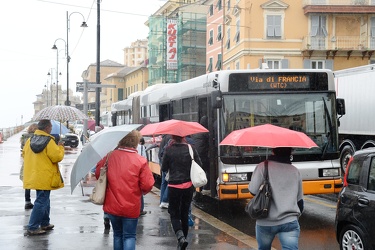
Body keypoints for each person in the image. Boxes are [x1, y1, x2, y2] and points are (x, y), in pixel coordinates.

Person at [95, 130, 154, 250]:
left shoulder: (109, 156)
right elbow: (147, 185)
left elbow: (98, 174)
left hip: (112, 205)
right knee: (129, 236)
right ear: (136, 142)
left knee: (117, 235)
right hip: (131, 205)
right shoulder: (140, 160)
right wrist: (139, 191)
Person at [249, 147, 304, 250]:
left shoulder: (262, 167)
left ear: (273, 151)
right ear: (290, 152)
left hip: (265, 221)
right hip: (289, 221)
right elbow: (300, 200)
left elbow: (253, 191)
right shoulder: (295, 171)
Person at [22, 119, 65, 236]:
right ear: (47, 128)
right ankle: (33, 226)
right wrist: (60, 147)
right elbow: (57, 157)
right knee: (42, 200)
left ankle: (45, 222)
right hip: (45, 176)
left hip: (33, 175)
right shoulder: (49, 141)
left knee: (44, 198)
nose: (51, 129)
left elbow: (24, 154)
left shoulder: (30, 140)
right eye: (50, 127)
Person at [161, 135, 202, 250]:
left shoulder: (169, 149)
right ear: (183, 137)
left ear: (173, 137)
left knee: (174, 213)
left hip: (174, 186)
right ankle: (183, 241)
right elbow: (199, 164)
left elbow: (164, 168)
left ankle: (180, 237)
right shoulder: (191, 148)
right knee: (184, 213)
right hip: (188, 186)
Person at [19, 123, 38, 209]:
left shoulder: (24, 137)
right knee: (38, 181)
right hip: (35, 161)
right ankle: (39, 201)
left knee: (27, 183)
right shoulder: (37, 137)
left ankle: (27, 201)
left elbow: (22, 148)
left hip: (26, 161)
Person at [191, 116, 210, 194]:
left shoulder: (195, 131)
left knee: (198, 171)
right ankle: (206, 187)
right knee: (208, 170)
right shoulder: (205, 132)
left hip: (196, 154)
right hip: (203, 155)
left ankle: (196, 188)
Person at [158, 134, 172, 209]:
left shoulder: (164, 137)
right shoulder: (171, 139)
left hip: (163, 162)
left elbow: (161, 152)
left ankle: (162, 201)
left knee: (164, 182)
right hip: (168, 164)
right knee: (169, 182)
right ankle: (164, 201)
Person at [137, 137, 147, 216]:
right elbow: (144, 159)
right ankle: (140, 209)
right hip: (139, 170)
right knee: (139, 191)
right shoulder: (141, 147)